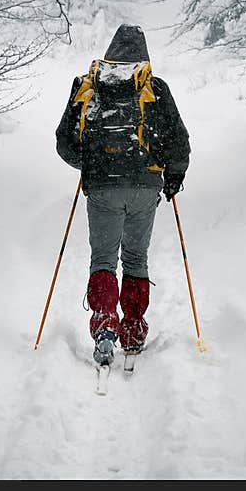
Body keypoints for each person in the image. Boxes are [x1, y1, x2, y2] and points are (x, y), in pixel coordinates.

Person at [56, 24, 190, 366]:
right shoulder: (154, 88)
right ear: (144, 55)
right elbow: (178, 140)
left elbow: (65, 142)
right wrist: (173, 178)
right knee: (135, 258)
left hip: (102, 188)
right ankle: (132, 330)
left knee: (103, 260)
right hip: (146, 187)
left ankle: (104, 329)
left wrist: (89, 164)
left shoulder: (88, 88)